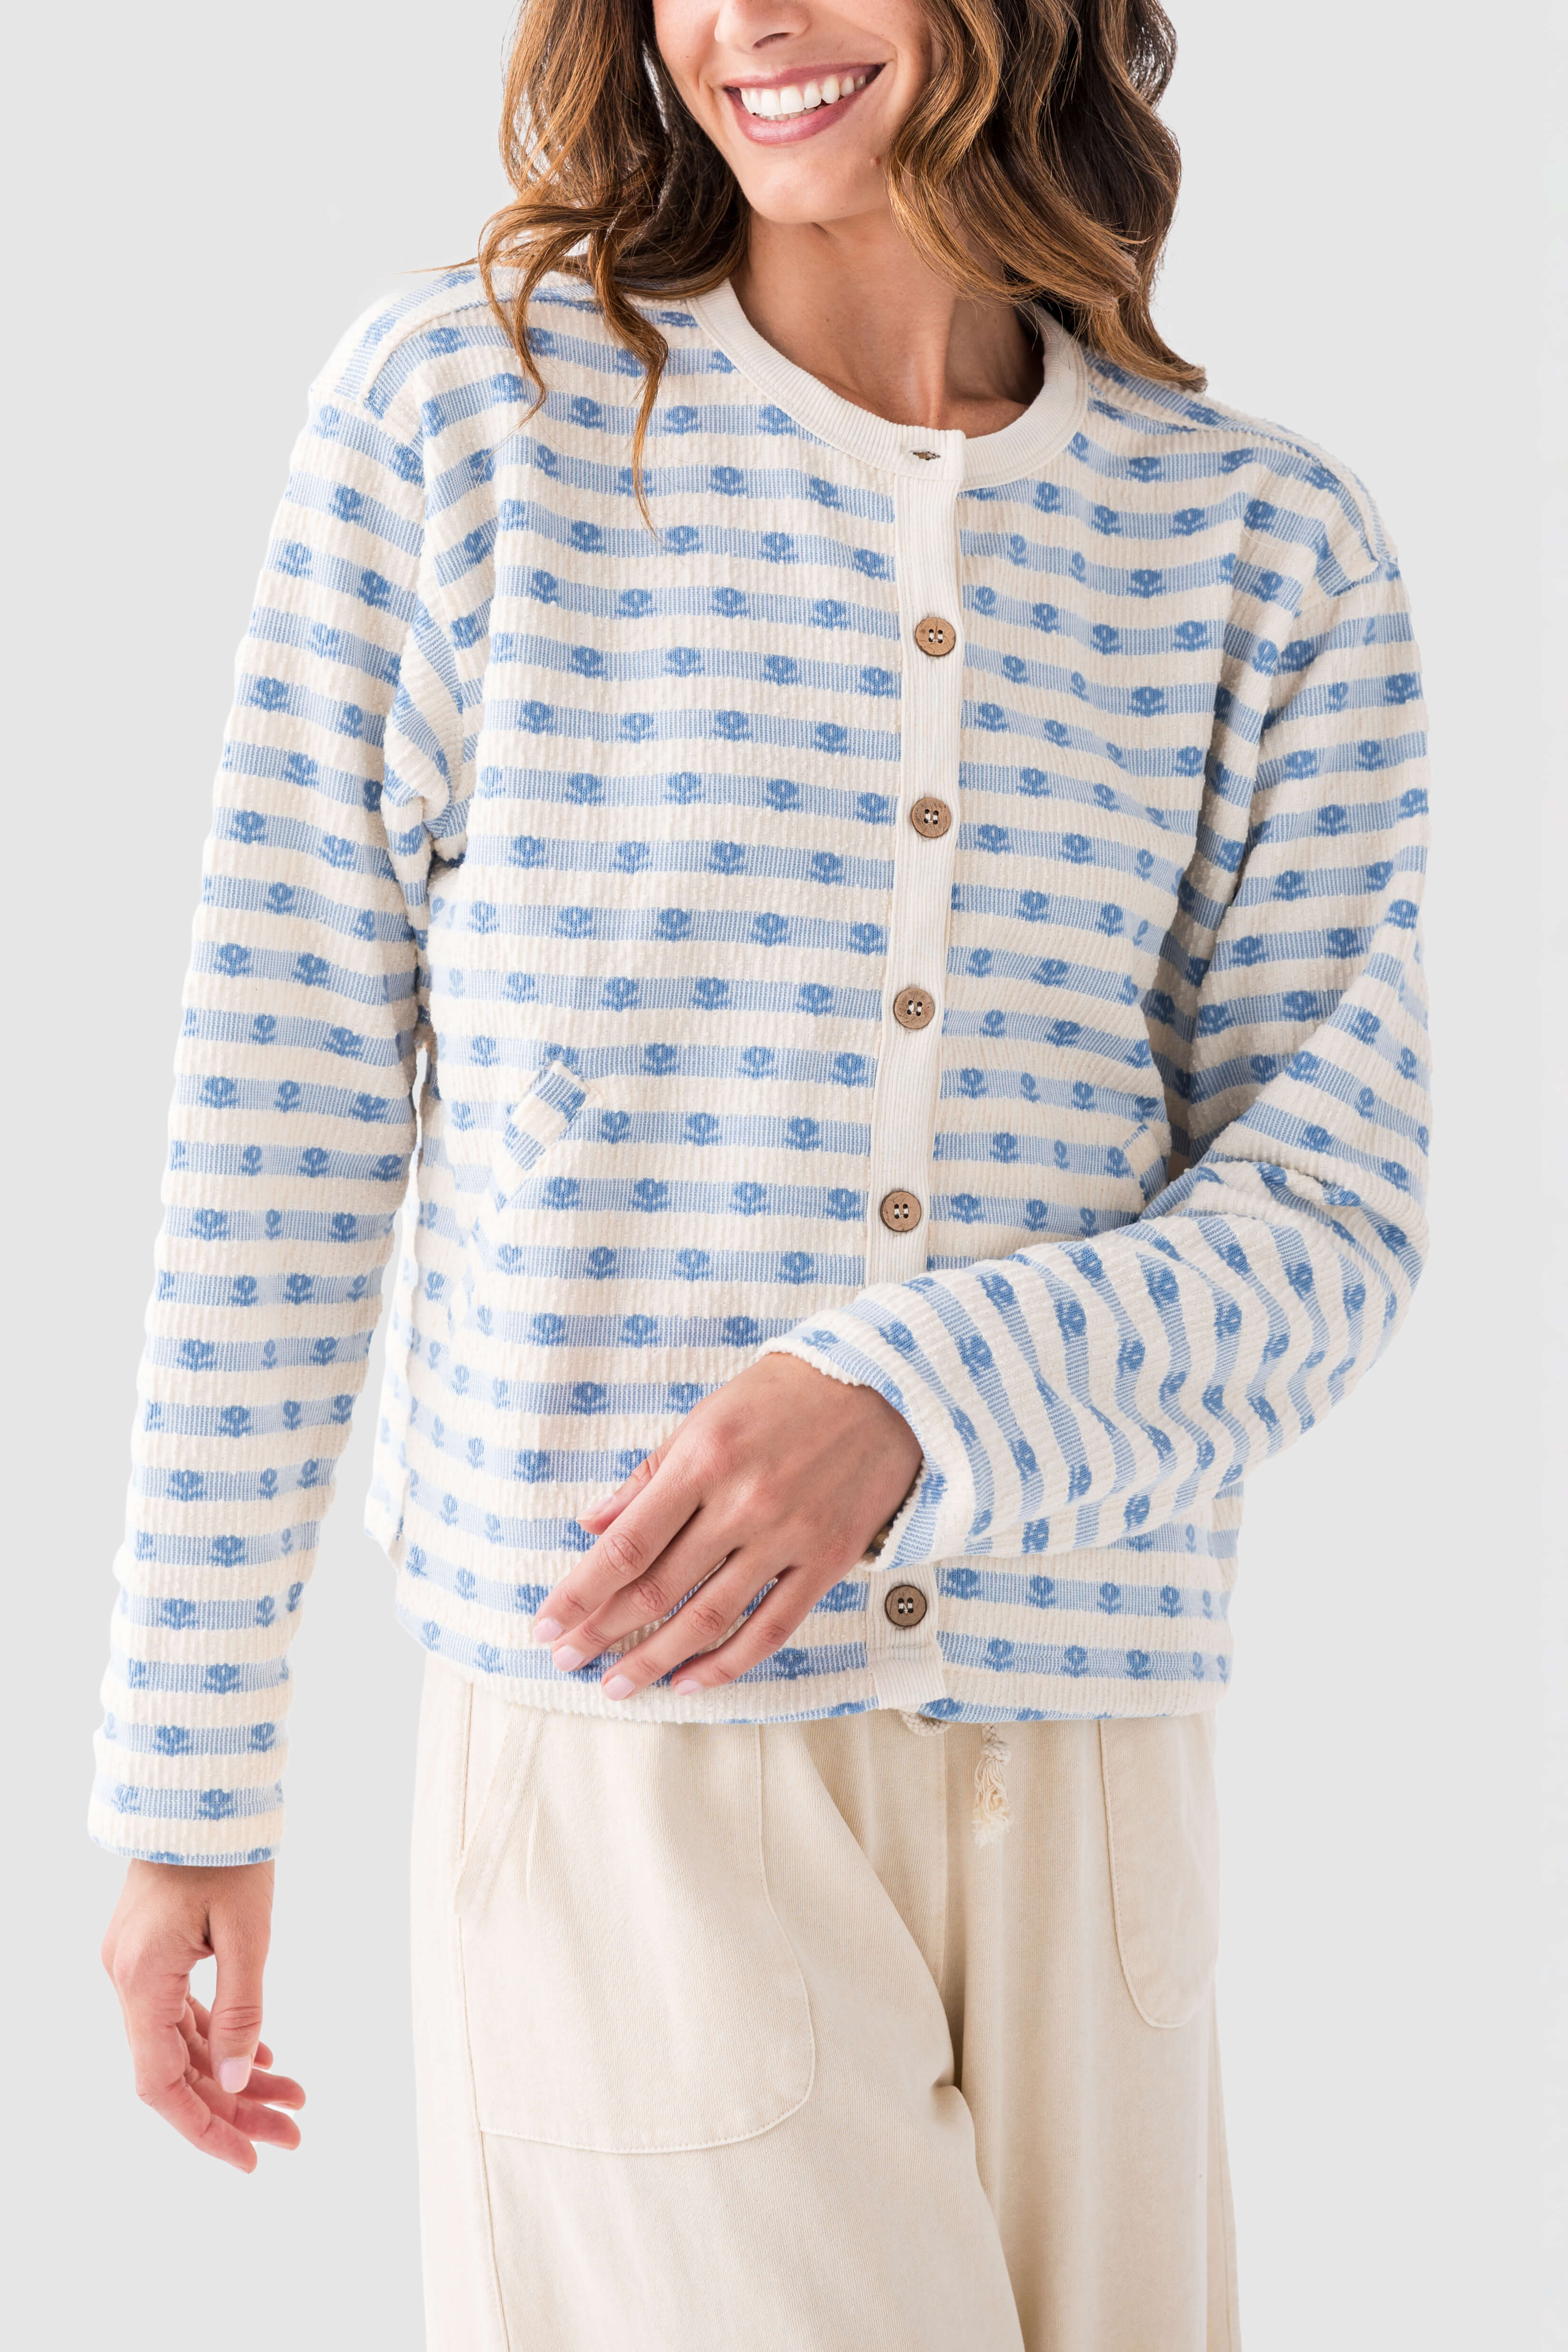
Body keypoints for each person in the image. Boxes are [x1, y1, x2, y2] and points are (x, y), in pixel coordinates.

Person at [95, 2, 1431, 2344]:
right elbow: (278, 1116)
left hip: (1100, 1795)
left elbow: (1332, 1215)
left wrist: (917, 1396)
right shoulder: (471, 425)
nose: (750, 24)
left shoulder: (1259, 546)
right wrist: (187, 1770)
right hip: (640, 1791)